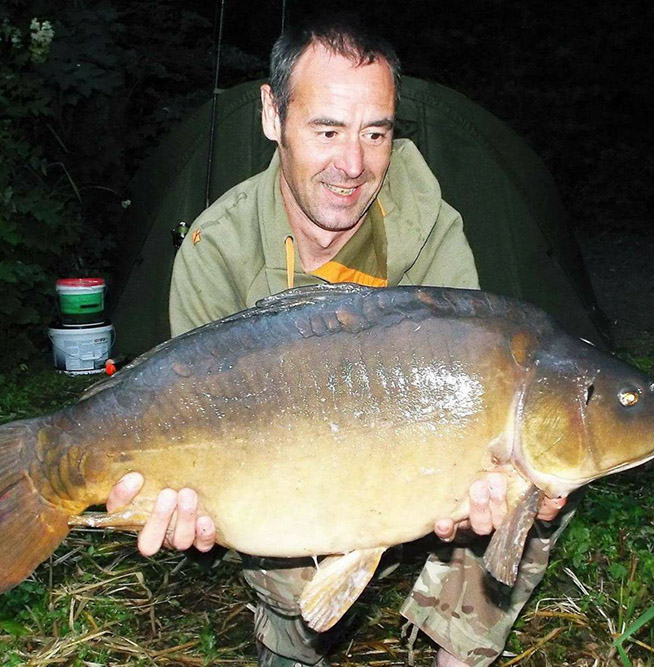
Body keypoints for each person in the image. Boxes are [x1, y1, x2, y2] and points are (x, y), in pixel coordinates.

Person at [107, 18, 569, 667]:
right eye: (327, 130)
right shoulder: (217, 250)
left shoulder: (433, 231)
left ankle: (459, 649)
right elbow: (186, 423)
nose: (352, 165)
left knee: (542, 462)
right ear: (272, 115)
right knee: (281, 524)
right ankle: (289, 641)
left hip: (417, 482)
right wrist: (181, 501)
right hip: (285, 488)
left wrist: (483, 493)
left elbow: (477, 403)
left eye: (375, 133)